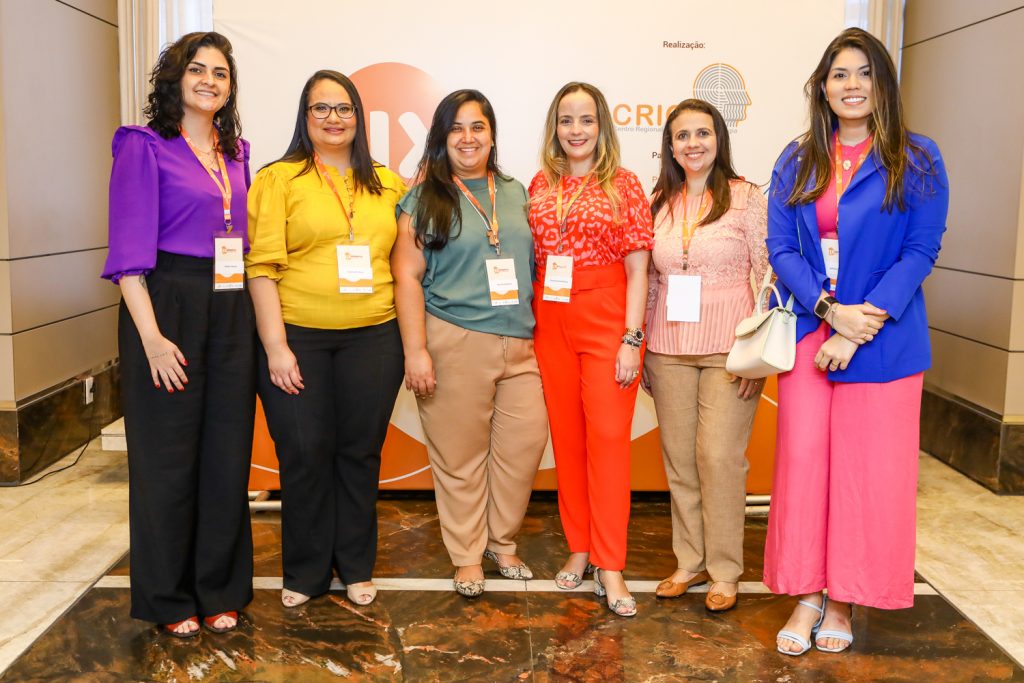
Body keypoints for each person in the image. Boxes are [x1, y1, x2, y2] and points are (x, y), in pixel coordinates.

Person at [764, 28, 948, 655]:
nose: (852, 85)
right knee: (805, 466)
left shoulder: (917, 158)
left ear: (883, 85)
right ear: (822, 86)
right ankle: (806, 593)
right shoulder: (796, 160)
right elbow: (782, 248)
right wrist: (827, 311)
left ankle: (842, 599)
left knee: (866, 476)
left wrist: (861, 322)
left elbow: (921, 249)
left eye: (865, 73)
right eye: (839, 73)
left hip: (885, 341)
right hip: (811, 331)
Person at [101, 32, 254, 637]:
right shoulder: (143, 147)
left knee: (225, 453)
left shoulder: (235, 151)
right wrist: (153, 339)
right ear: (175, 77)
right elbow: (128, 258)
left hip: (231, 305)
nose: (210, 80)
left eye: (221, 72)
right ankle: (168, 598)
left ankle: (219, 588)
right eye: (198, 69)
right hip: (166, 304)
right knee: (167, 461)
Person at [246, 71, 407, 608]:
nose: (334, 118)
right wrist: (275, 346)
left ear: (358, 118)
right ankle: (307, 571)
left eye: (344, 109)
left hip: (375, 337)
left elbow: (404, 263)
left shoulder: (388, 183)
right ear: (305, 117)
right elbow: (261, 268)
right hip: (298, 338)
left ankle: (356, 565)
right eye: (322, 109)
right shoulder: (279, 179)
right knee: (304, 454)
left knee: (359, 454)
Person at [391, 89, 548, 597]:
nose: (468, 137)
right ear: (441, 137)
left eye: (477, 126)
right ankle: (466, 555)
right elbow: (407, 277)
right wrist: (416, 351)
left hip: (521, 342)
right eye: (456, 128)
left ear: (492, 134)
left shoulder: (516, 191)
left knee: (521, 452)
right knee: (459, 460)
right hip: (453, 339)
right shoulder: (423, 197)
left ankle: (501, 543)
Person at [528, 82, 653, 616]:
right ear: (554, 128)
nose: (575, 130)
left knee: (607, 444)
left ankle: (611, 563)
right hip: (550, 316)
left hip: (607, 317)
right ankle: (579, 548)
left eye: (586, 120)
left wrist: (632, 339)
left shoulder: (624, 184)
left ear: (602, 126)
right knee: (568, 439)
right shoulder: (540, 183)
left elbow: (639, 268)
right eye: (565, 120)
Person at [642, 99, 768, 612]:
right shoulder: (660, 201)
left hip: (729, 350)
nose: (692, 144)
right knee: (680, 461)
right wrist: (645, 345)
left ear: (720, 139)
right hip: (668, 349)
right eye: (681, 136)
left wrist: (758, 356)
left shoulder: (746, 197)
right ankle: (689, 562)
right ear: (669, 146)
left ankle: (725, 570)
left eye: (702, 133)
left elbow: (765, 275)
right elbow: (652, 281)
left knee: (718, 458)